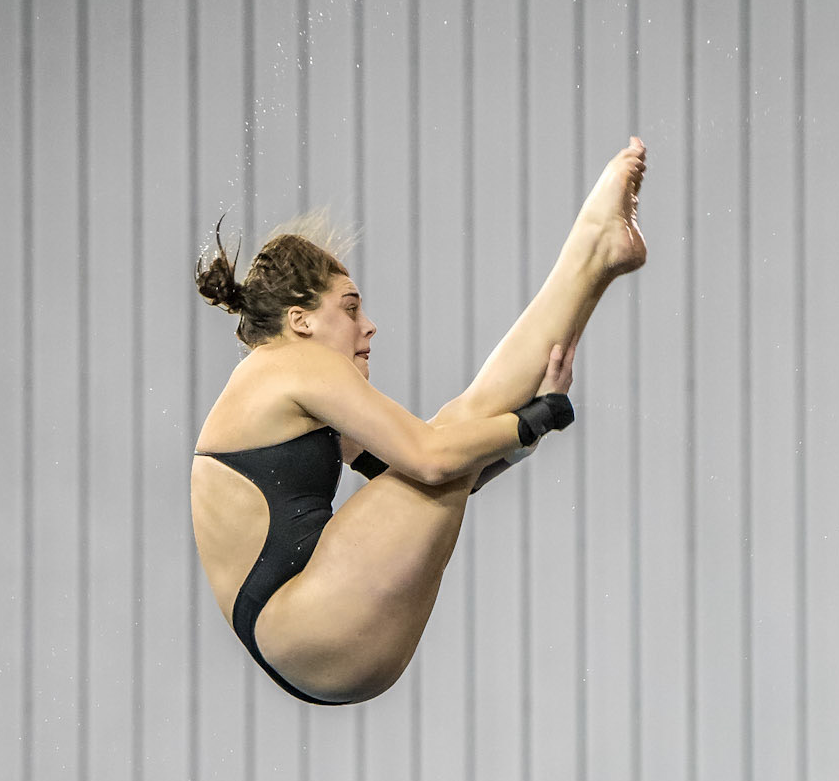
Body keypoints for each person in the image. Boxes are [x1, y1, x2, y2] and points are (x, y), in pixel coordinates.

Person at [191, 138, 648, 704]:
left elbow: (456, 475)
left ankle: (598, 261)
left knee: (458, 437)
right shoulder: (290, 363)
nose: (369, 326)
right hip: (307, 618)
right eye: (351, 307)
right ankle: (593, 250)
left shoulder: (279, 390)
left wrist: (530, 429)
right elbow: (433, 457)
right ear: (300, 320)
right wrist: (532, 420)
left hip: (314, 644)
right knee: (454, 426)